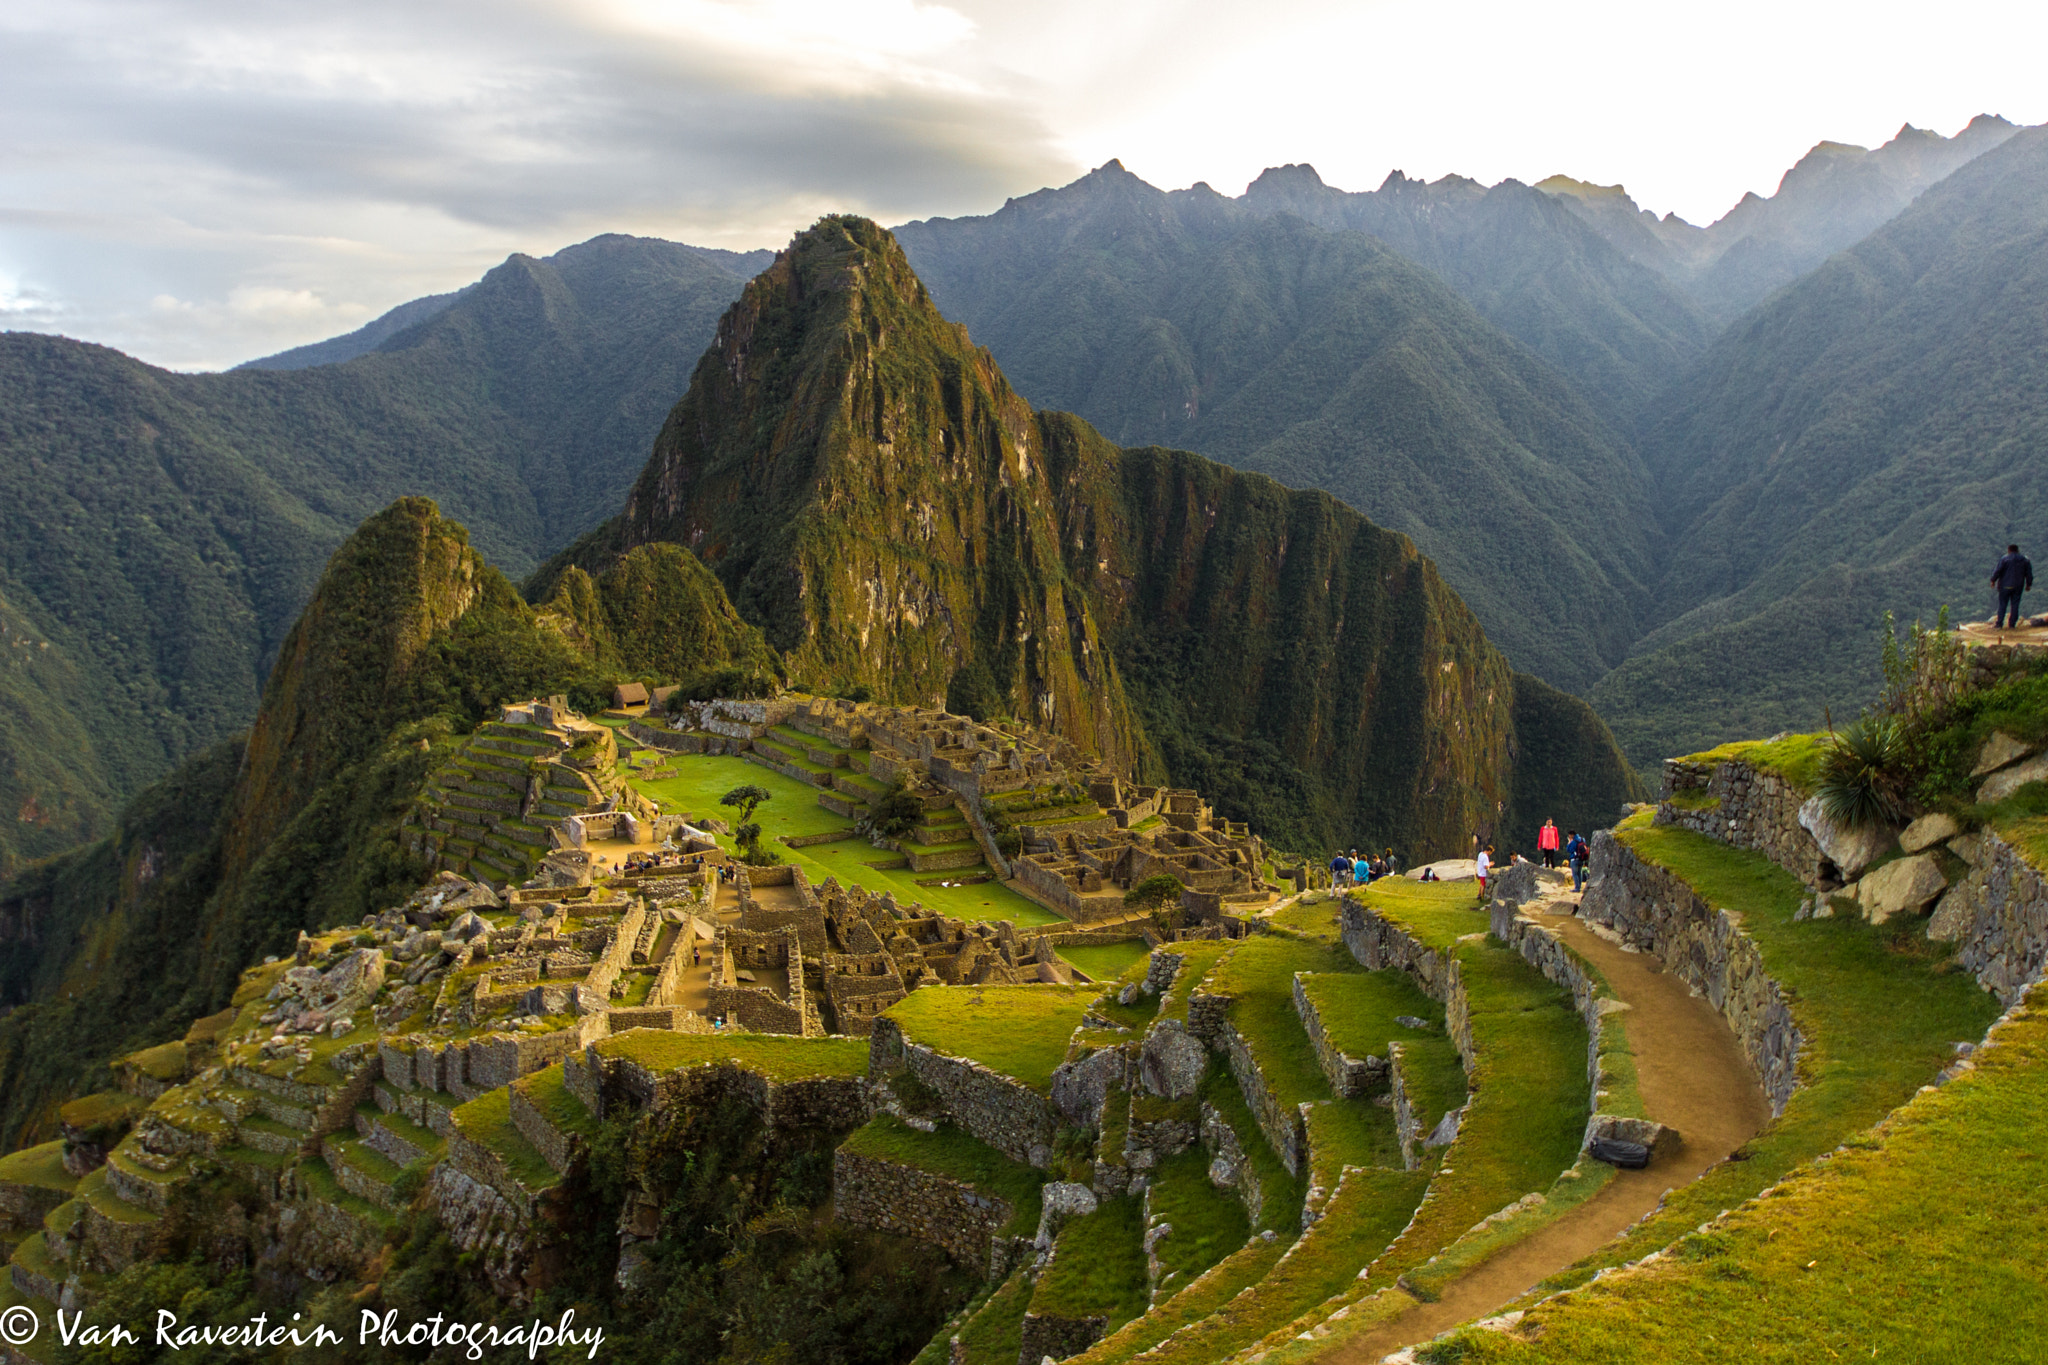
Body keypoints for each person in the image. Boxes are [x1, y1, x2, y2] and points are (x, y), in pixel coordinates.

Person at [1993, 544, 2034, 630]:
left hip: (2005, 585)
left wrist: (1993, 580)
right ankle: (2012, 624)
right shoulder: (2025, 560)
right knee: (2015, 604)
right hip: (2018, 586)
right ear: (2018, 550)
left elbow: (1998, 571)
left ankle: (1999, 624)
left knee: (2002, 604)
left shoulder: (2004, 559)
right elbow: (2029, 574)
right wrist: (2028, 584)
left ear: (2009, 550)